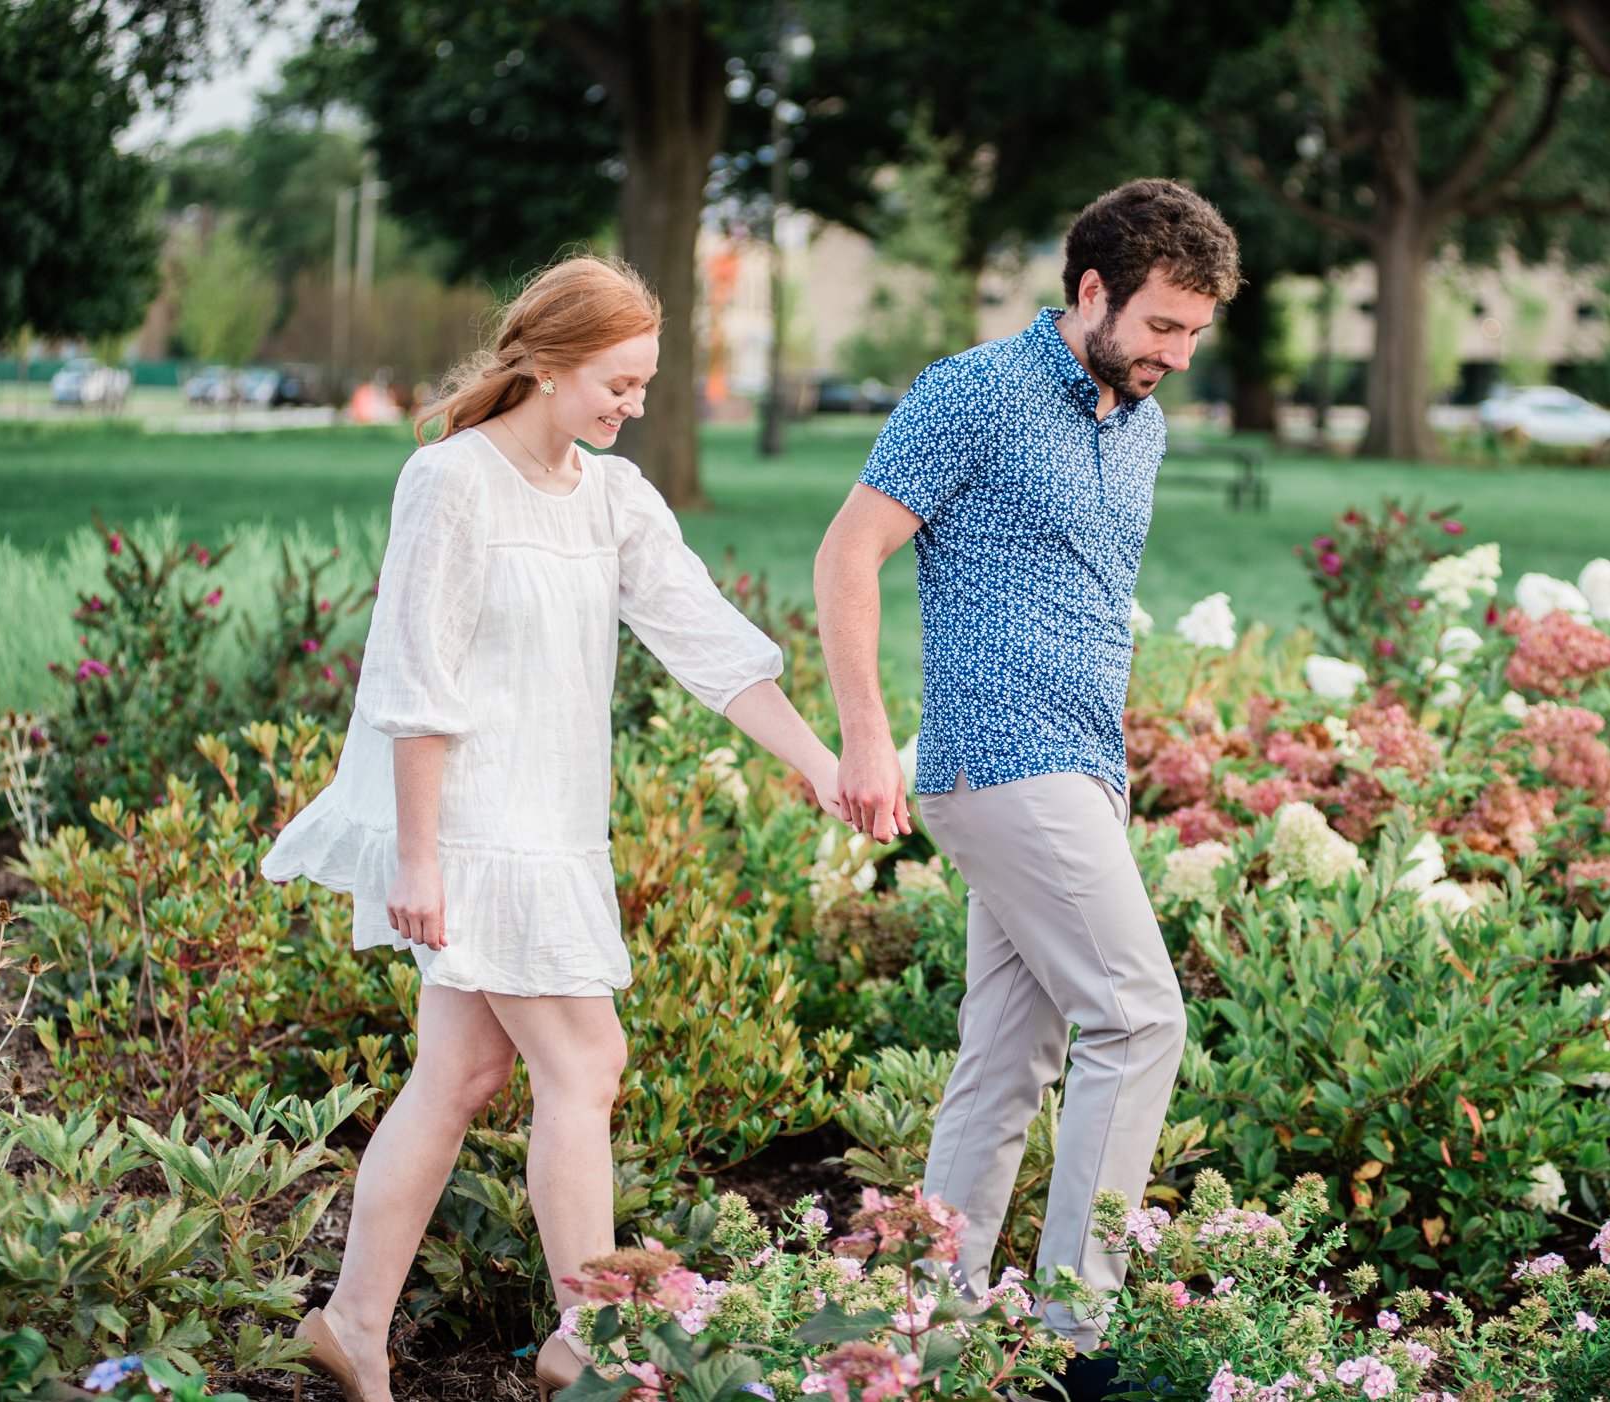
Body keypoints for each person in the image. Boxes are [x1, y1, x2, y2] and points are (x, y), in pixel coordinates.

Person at [260, 255, 846, 1402]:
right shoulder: (453, 482)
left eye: (644, 384)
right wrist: (420, 859)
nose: (634, 404)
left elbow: (708, 641)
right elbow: (413, 682)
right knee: (586, 1060)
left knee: (462, 1070)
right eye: (616, 383)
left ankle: (352, 1324)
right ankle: (590, 1340)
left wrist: (821, 765)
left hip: (554, 822)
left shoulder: (615, 498)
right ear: (542, 360)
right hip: (475, 829)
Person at [813, 179, 1240, 1391]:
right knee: (1140, 1015)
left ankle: (916, 1339)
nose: (1177, 355)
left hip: (1080, 769)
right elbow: (848, 553)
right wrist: (862, 736)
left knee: (1008, 1058)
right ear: (1092, 290)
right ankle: (1074, 1342)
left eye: (1196, 335)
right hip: (999, 759)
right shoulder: (973, 392)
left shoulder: (1141, 423)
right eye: (1162, 325)